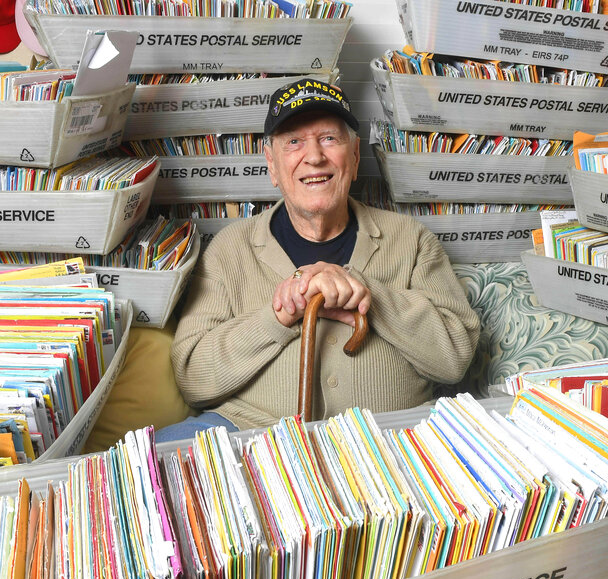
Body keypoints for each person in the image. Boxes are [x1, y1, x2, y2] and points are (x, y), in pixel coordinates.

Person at [158, 79, 480, 442]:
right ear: (272, 166)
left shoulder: (412, 239)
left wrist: (368, 293)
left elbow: (455, 358)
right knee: (150, 463)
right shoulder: (230, 248)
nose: (314, 156)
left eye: (329, 138)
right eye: (294, 141)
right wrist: (278, 316)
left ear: (355, 157)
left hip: (390, 435)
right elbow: (193, 378)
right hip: (254, 433)